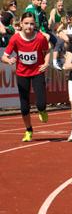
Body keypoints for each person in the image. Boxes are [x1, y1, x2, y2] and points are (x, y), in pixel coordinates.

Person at [1, 12, 49, 142]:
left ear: (35, 25)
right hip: (22, 73)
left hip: (37, 71)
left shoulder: (40, 38)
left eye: (32, 24)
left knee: (41, 103)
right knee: (24, 106)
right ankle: (28, 130)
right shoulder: (15, 39)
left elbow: (47, 51)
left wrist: (46, 62)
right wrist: (8, 60)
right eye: (26, 23)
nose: (29, 26)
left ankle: (42, 110)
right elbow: (4, 56)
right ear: (21, 24)